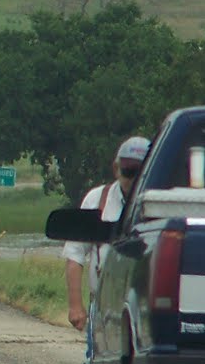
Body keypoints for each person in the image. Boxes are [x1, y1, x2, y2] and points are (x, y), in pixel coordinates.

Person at [64, 135, 151, 332]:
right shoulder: (97, 200)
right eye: (128, 171)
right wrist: (76, 306)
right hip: (103, 308)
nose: (134, 179)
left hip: (145, 308)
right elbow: (74, 254)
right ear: (116, 169)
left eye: (141, 172)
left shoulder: (161, 203)